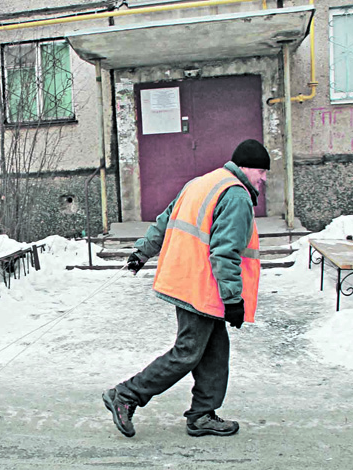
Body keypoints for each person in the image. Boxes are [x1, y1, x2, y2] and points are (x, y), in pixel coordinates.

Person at [103, 139, 269, 438]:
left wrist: (142, 252)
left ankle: (202, 414)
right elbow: (225, 252)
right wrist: (233, 299)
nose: (264, 178)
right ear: (245, 168)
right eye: (261, 171)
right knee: (187, 352)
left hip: (187, 280)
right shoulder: (235, 196)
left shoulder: (202, 182)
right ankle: (127, 396)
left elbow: (165, 221)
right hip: (201, 287)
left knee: (215, 352)